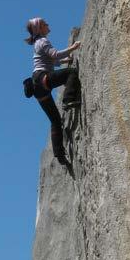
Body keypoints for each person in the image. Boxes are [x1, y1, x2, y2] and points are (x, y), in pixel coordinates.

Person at [25, 17, 81, 165]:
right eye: (44, 24)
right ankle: (68, 99)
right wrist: (73, 47)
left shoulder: (38, 43)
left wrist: (63, 61)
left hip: (38, 88)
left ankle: (59, 155)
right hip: (42, 79)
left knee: (55, 120)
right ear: (39, 28)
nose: (48, 25)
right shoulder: (43, 41)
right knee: (71, 73)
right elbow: (55, 54)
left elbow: (53, 60)